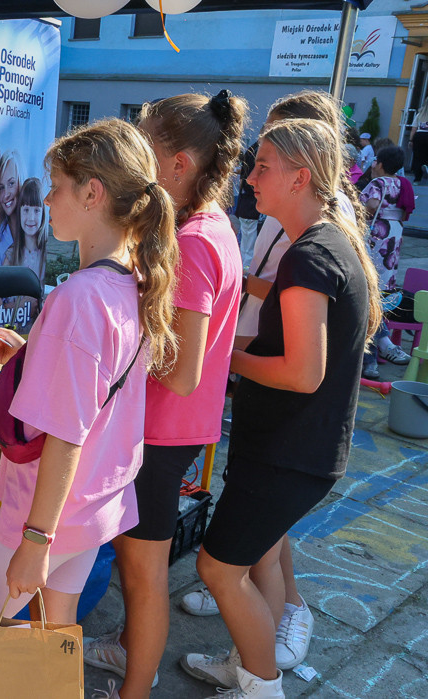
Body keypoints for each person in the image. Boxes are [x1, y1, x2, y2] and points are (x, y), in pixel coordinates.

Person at [0, 118, 180, 699]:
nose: (48, 198)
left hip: (45, 513)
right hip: (94, 506)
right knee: (52, 639)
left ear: (94, 193)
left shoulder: (77, 296)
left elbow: (67, 433)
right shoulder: (134, 282)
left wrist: (35, 541)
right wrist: (33, 351)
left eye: (58, 185)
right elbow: (94, 390)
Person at [183, 118, 380, 698]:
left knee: (217, 569)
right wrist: (234, 346)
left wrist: (224, 360)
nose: (250, 175)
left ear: (300, 177)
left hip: (289, 453)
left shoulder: (310, 257)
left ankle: (261, 685)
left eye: (262, 166)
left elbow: (301, 371)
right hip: (292, 450)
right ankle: (252, 663)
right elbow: (289, 349)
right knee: (253, 562)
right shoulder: (321, 245)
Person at [83, 90, 246, 699]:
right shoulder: (204, 226)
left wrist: (110, 362)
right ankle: (129, 651)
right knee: (140, 573)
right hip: (167, 430)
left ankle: (134, 688)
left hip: (162, 431)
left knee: (143, 575)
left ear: (178, 164)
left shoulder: (197, 243)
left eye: (145, 145)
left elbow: (181, 371)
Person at [360, 145, 414, 379]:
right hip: (394, 235)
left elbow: (371, 205)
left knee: (368, 294)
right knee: (380, 294)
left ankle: (370, 359)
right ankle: (384, 345)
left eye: (375, 161)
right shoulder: (403, 184)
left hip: (377, 238)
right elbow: (404, 211)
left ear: (380, 163)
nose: (373, 165)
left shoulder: (377, 184)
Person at [3, 177, 48, 285]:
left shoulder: (47, 254)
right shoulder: (12, 254)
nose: (31, 218)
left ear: (43, 214)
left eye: (36, 210)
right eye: (26, 210)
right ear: (19, 212)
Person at [235, 141, 261, 269]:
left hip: (245, 202)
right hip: (251, 204)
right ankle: (246, 270)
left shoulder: (251, 149)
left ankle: (243, 268)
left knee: (246, 243)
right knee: (250, 244)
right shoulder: (257, 151)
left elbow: (242, 179)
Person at [409, 99, 428, 184]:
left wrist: (411, 140)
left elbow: (414, 129)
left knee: (417, 157)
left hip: (419, 136)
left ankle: (417, 179)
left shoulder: (419, 115)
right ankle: (426, 166)